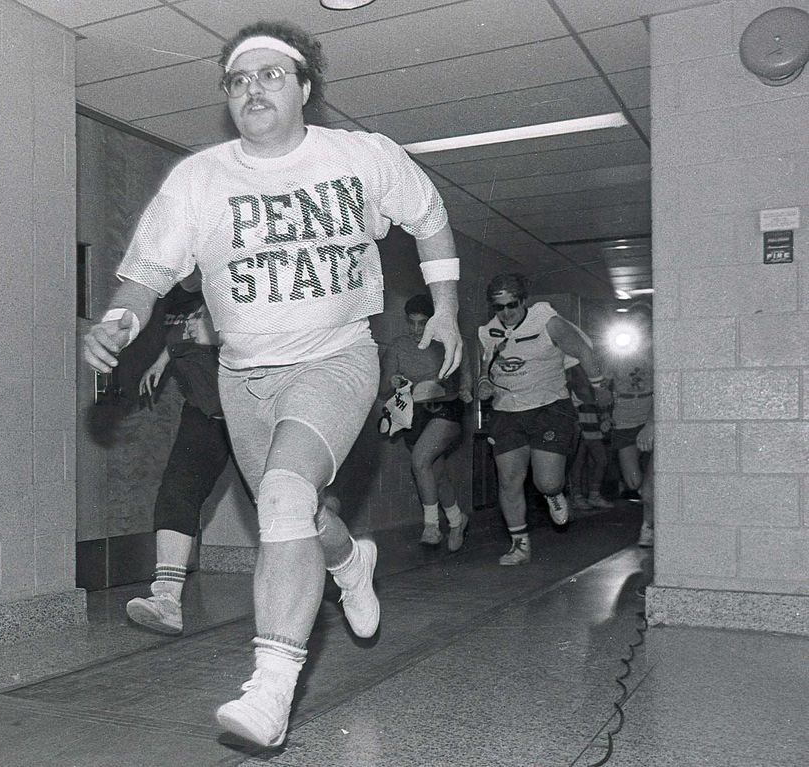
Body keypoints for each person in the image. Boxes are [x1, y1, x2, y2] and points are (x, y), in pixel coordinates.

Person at [82, 20, 462, 748]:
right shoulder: (200, 179)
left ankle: (271, 688)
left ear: (305, 87)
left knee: (285, 497)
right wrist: (119, 322)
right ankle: (352, 559)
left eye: (270, 74)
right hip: (242, 378)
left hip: (336, 358)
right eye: (238, 79)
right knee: (302, 514)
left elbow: (431, 217)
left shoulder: (361, 157)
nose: (253, 89)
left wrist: (444, 307)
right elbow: (146, 276)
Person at [124, 277, 237, 634]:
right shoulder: (170, 295)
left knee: (283, 505)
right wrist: (162, 360)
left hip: (250, 411)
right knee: (177, 491)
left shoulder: (229, 282)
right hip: (204, 413)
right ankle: (167, 600)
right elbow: (179, 332)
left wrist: (221, 336)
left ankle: (341, 563)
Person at [475, 273, 609, 566]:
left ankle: (554, 493)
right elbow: (487, 367)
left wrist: (598, 387)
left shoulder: (548, 321)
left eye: (512, 305)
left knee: (547, 483)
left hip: (550, 408)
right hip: (508, 410)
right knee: (509, 480)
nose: (507, 313)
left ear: (523, 301)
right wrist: (483, 382)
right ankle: (520, 546)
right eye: (499, 307)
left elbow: (583, 350)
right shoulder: (488, 332)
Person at [380, 294, 471, 550]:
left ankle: (431, 527)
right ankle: (457, 519)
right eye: (412, 323)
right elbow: (383, 388)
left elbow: (464, 371)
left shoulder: (445, 341)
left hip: (445, 408)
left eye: (423, 323)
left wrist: (465, 387)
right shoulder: (398, 347)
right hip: (414, 415)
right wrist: (393, 383)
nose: (417, 330)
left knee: (420, 461)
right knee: (435, 474)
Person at [607, 304, 655, 547]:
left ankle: (648, 527)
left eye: (643, 323)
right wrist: (606, 413)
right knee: (633, 482)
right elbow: (605, 384)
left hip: (651, 414)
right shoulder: (618, 349)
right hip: (624, 417)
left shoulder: (658, 349)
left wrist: (651, 423)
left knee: (648, 489)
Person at [566, 364, 613, 511]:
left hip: (593, 422)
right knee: (578, 462)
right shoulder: (571, 374)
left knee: (601, 460)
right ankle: (576, 497)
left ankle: (594, 495)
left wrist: (605, 417)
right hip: (577, 421)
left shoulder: (596, 377)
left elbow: (602, 400)